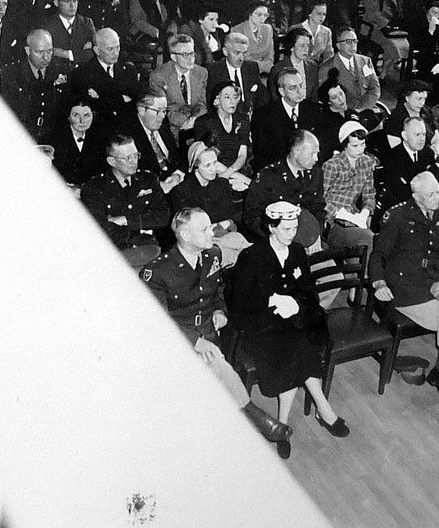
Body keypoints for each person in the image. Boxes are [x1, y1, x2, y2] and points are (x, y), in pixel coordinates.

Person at [139, 208, 292, 447]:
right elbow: (156, 321)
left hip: (211, 334)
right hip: (178, 343)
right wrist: (194, 341)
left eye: (210, 226)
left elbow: (218, 289)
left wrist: (220, 310)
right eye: (204, 229)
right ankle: (254, 416)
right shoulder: (157, 272)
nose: (212, 232)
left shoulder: (211, 255)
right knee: (218, 368)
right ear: (185, 236)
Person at [227, 201, 348, 460]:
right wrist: (271, 301)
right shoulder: (252, 256)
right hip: (260, 325)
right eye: (286, 229)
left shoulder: (297, 252)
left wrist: (295, 303)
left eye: (294, 228)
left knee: (299, 341)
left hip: (292, 318)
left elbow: (307, 290)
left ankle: (282, 425)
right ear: (271, 227)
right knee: (296, 346)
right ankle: (324, 410)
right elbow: (238, 302)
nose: (291, 234)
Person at [371, 172, 439, 408]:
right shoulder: (399, 216)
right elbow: (378, 254)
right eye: (430, 194)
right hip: (405, 286)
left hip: (433, 278)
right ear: (416, 197)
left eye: (438, 192)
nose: (436, 197)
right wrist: (379, 283)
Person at [80, 134, 171, 269]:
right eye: (127, 158)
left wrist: (126, 220)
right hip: (114, 255)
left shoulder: (148, 180)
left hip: (149, 249)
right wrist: (141, 227)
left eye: (136, 155)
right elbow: (99, 229)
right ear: (112, 161)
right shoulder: (94, 188)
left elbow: (163, 216)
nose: (134, 161)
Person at [170, 142, 250, 267]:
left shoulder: (221, 184)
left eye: (215, 163)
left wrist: (220, 225)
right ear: (196, 166)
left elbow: (229, 218)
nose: (213, 169)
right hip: (201, 245)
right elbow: (189, 231)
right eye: (207, 165)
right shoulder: (181, 192)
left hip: (226, 237)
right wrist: (220, 225)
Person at [244, 131, 327, 247]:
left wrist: (315, 235)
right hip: (277, 243)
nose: (316, 158)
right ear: (296, 152)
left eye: (317, 153)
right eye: (312, 154)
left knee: (330, 264)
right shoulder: (268, 176)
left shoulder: (316, 173)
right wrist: (280, 239)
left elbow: (319, 209)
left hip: (309, 240)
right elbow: (252, 217)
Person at [0, 28, 71, 141]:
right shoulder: (10, 75)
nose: (46, 57)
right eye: (39, 52)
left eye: (49, 51)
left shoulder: (61, 70)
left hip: (54, 136)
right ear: (28, 50)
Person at [322, 121, 378, 254]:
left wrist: (365, 212)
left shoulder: (367, 162)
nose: (360, 149)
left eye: (363, 144)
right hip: (332, 220)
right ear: (345, 145)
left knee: (370, 239)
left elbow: (369, 194)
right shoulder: (332, 165)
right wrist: (343, 214)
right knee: (366, 238)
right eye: (355, 146)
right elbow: (322, 198)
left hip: (356, 216)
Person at [149, 33, 207, 138]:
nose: (191, 59)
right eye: (185, 55)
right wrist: (186, 123)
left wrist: (194, 121)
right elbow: (165, 110)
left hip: (197, 125)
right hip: (172, 129)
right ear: (174, 57)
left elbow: (202, 105)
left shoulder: (201, 73)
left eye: (192, 53)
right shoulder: (159, 76)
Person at [193, 81, 252, 178]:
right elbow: (207, 158)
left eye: (235, 97)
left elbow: (242, 154)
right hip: (214, 172)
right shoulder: (204, 122)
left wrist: (232, 172)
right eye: (227, 97)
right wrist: (237, 177)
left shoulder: (242, 119)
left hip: (238, 169)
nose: (232, 102)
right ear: (217, 100)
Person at [46, 96, 107, 187]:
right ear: (68, 117)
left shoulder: (100, 139)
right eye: (76, 115)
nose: (82, 121)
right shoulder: (52, 139)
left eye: (86, 115)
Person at [232, 1, 275, 76]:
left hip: (265, 73)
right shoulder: (237, 30)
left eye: (265, 15)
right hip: (245, 73)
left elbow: (270, 58)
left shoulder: (267, 29)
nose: (262, 18)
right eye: (259, 14)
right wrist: (261, 65)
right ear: (250, 13)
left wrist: (258, 65)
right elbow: (241, 60)